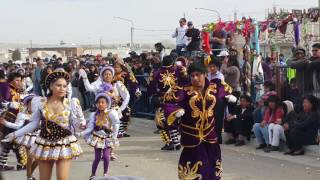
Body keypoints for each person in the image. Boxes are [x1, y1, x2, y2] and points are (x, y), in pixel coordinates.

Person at [3, 69, 86, 180]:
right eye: (58, 85)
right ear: (51, 86)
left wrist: (81, 124)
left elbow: (76, 124)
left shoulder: (71, 103)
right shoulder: (40, 102)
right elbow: (34, 124)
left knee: (62, 178)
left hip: (64, 142)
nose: (62, 89)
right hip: (45, 143)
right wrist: (14, 134)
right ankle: (29, 175)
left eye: (65, 86)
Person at [177, 62, 235, 180]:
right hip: (192, 136)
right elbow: (170, 101)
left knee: (213, 164)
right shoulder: (185, 91)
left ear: (204, 74)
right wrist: (176, 110)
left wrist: (228, 96)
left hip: (210, 134)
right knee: (197, 166)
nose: (195, 78)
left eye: (198, 75)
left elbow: (225, 90)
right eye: (192, 76)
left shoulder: (214, 87)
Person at [77, 88, 119, 179]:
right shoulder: (94, 115)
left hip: (108, 138)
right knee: (97, 158)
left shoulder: (111, 113)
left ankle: (105, 173)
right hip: (97, 138)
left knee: (106, 156)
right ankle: (93, 174)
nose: (100, 104)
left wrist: (114, 137)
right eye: (99, 102)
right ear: (96, 104)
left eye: (103, 102)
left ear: (107, 104)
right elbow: (90, 127)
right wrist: (82, 133)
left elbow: (116, 124)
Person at [148, 55, 188, 151]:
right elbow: (186, 81)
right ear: (172, 62)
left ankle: (170, 142)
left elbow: (151, 86)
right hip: (179, 99)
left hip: (164, 99)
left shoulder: (156, 72)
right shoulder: (179, 70)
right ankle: (176, 142)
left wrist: (153, 95)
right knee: (174, 120)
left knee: (160, 121)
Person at [0, 94, 38, 179]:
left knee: (39, 159)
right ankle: (29, 176)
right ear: (27, 105)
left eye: (35, 104)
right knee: (31, 157)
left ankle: (29, 174)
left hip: (39, 137)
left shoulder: (40, 115)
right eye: (31, 104)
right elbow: (18, 126)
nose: (33, 106)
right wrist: (6, 123)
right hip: (28, 138)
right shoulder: (22, 115)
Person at [0, 72, 26, 171]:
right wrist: (9, 104)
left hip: (15, 118)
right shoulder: (6, 88)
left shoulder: (15, 90)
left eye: (20, 80)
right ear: (11, 80)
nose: (19, 82)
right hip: (7, 118)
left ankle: (2, 163)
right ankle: (21, 163)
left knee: (8, 141)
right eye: (17, 80)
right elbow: (2, 102)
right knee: (14, 141)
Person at [113, 61, 141, 137]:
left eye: (117, 67)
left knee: (126, 112)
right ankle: (119, 130)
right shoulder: (111, 74)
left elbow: (133, 83)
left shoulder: (126, 74)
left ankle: (123, 130)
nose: (116, 69)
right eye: (115, 67)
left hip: (124, 97)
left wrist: (136, 90)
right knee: (117, 112)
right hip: (113, 97)